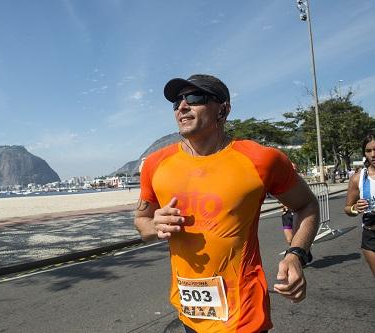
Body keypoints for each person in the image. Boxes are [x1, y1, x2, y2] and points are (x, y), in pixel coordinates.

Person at [134, 74, 320, 333]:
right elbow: (142, 224)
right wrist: (155, 225)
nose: (182, 106)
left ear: (223, 109)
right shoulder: (154, 164)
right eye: (176, 101)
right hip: (189, 311)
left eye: (195, 98)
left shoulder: (261, 159)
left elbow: (307, 205)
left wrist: (297, 254)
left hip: (243, 312)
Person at [344, 130, 375, 277]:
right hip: (371, 235)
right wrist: (355, 208)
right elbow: (347, 208)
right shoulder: (358, 179)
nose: (373, 154)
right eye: (368, 150)